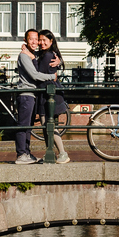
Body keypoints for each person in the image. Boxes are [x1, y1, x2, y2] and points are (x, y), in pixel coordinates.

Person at [14, 29, 58, 164]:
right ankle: (21, 155)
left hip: (32, 94)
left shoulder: (33, 55)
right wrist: (53, 76)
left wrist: (59, 61)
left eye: (36, 39)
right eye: (31, 39)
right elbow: (35, 75)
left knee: (28, 126)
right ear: (25, 41)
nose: (35, 42)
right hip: (26, 94)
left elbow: (48, 57)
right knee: (23, 125)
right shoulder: (24, 56)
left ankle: (27, 153)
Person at [37, 29, 70, 164]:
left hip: (49, 95)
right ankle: (49, 152)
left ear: (51, 41)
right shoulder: (48, 54)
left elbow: (38, 73)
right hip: (48, 93)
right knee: (47, 125)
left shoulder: (47, 55)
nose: (41, 42)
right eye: (40, 40)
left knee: (49, 125)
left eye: (45, 40)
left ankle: (62, 153)